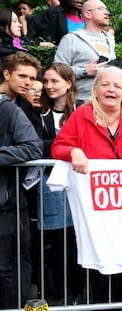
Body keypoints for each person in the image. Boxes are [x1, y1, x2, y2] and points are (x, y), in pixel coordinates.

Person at [51, 66, 122, 304]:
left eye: (117, 85)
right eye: (105, 84)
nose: (111, 89)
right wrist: (74, 151)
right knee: (100, 272)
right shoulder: (82, 115)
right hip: (96, 212)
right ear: (96, 89)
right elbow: (58, 147)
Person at [38, 63, 85, 305]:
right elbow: (35, 144)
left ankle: (79, 292)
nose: (49, 86)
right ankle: (61, 294)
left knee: (79, 239)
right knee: (57, 243)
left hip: (80, 184)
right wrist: (65, 147)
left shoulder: (83, 111)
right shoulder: (37, 112)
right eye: (46, 81)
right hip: (50, 185)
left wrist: (57, 146)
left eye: (54, 81)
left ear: (69, 83)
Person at [0, 92, 43, 309]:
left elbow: (33, 147)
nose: (28, 83)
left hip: (6, 206)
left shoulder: (8, 110)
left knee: (6, 269)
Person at [54, 0, 115, 104]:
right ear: (87, 14)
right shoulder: (71, 39)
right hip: (81, 101)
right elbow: (57, 71)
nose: (107, 12)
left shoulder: (109, 38)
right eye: (101, 9)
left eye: (106, 9)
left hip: (108, 101)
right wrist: (85, 71)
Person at [0, 51, 42, 137]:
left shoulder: (26, 105)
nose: (27, 82)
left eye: (32, 78)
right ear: (7, 74)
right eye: (22, 76)